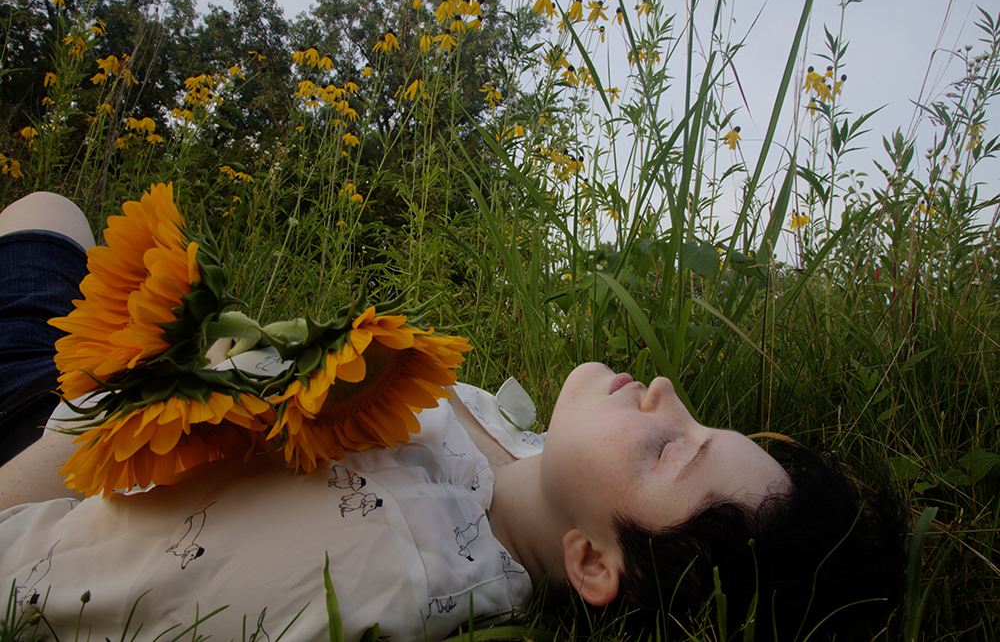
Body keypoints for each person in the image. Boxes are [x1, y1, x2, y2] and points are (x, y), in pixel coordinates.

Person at [0, 192, 909, 642]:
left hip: (47, 427)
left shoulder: (366, 560)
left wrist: (147, 377)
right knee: (50, 207)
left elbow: (28, 560)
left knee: (40, 218)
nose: (665, 388)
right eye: (702, 416)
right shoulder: (531, 471)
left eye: (671, 447)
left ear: (593, 561)